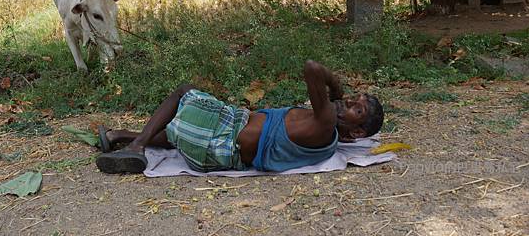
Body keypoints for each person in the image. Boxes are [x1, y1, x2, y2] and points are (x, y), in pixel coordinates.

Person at [96, 60, 384, 174]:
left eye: (356, 109)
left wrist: (335, 87)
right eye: (353, 99)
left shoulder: (326, 126)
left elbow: (311, 68)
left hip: (220, 140)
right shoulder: (324, 133)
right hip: (211, 149)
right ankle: (118, 136)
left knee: (185, 91)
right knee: (180, 130)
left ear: (357, 132)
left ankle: (137, 146)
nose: (348, 101)